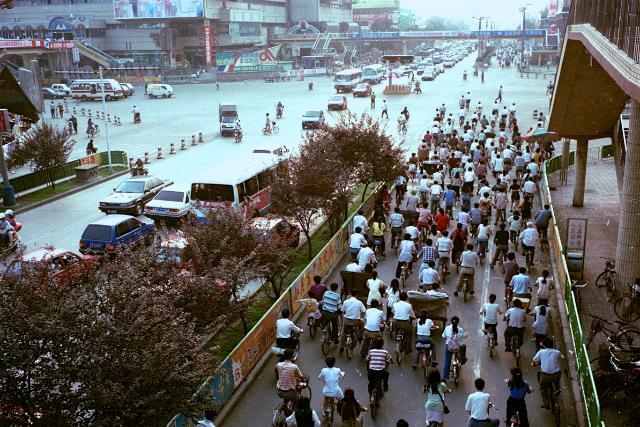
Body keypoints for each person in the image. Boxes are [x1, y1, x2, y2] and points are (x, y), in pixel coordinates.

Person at [533, 337, 564, 410]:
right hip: (557, 374)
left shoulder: (541, 352)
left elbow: (534, 359)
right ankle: (557, 389)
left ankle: (546, 404)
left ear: (544, 345)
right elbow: (562, 357)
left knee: (543, 388)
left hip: (546, 375)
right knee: (556, 383)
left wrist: (533, 363)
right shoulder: (557, 352)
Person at [442, 316, 466, 380]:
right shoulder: (460, 329)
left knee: (447, 361)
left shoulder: (447, 328)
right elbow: (464, 336)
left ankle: (445, 377)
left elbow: (443, 336)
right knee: (463, 347)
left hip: (449, 347)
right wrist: (466, 334)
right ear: (458, 322)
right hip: (457, 348)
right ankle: (461, 360)